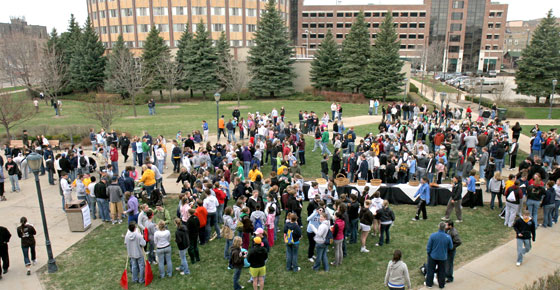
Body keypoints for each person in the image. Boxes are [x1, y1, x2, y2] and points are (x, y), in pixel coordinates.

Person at [425, 222, 453, 289]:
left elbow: (429, 247)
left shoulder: (433, 235)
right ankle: (441, 285)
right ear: (444, 228)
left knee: (431, 270)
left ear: (438, 227)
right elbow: (451, 247)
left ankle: (429, 284)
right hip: (443, 257)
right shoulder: (448, 237)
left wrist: (429, 253)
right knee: (441, 271)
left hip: (433, 256)